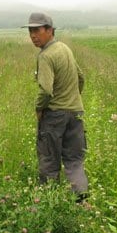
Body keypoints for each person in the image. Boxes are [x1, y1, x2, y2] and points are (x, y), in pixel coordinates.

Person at [22, 12, 88, 201]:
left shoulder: (46, 55)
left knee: (49, 162)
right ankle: (80, 202)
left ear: (50, 30)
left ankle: (47, 205)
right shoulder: (64, 48)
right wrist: (73, 99)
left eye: (37, 30)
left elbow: (45, 90)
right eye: (30, 31)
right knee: (74, 162)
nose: (33, 35)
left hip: (54, 117)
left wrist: (38, 109)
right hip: (75, 114)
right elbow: (81, 77)